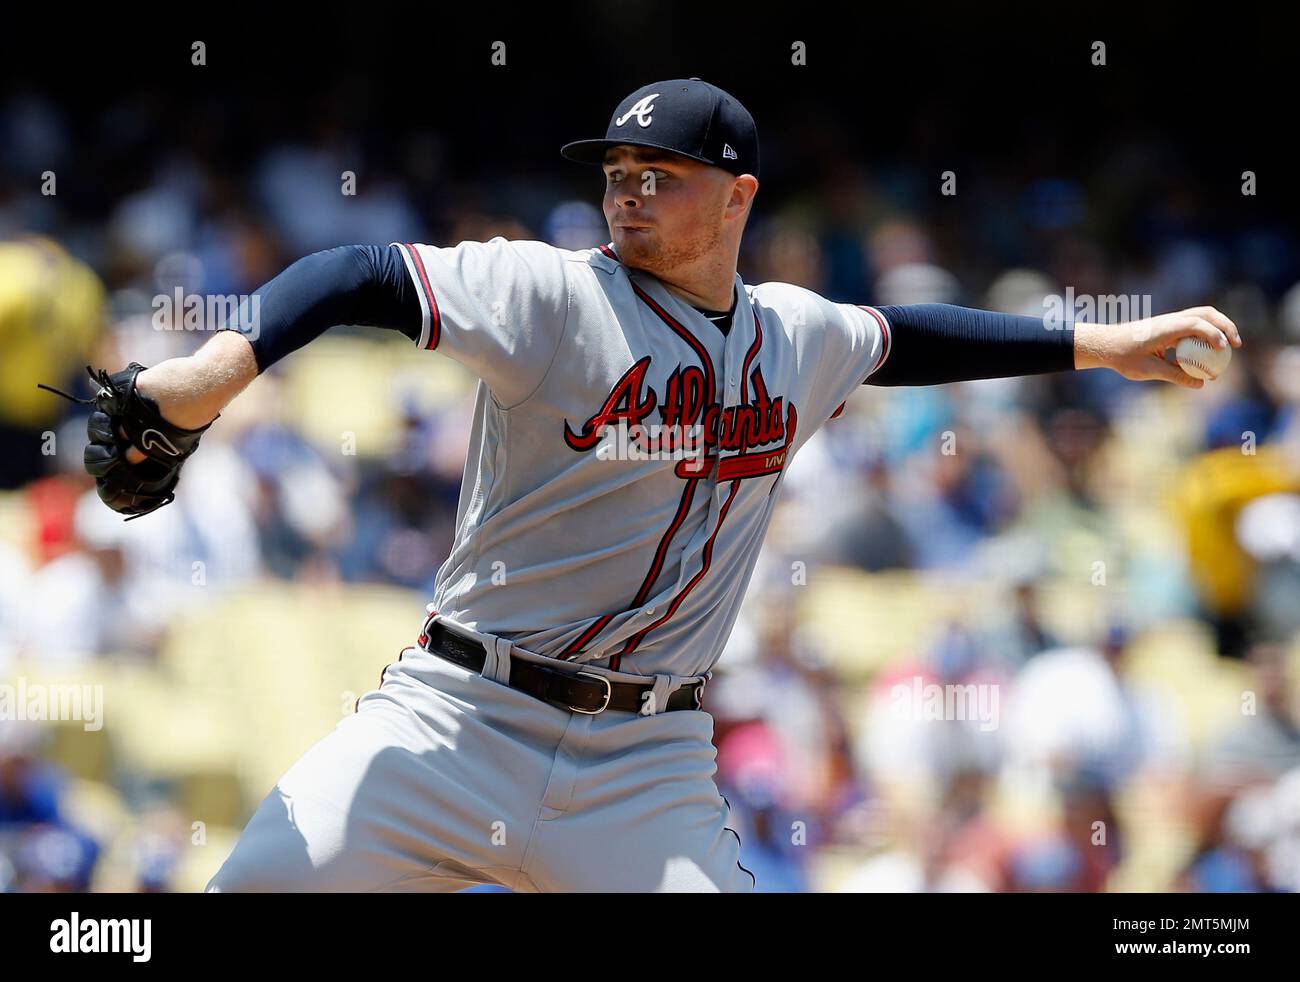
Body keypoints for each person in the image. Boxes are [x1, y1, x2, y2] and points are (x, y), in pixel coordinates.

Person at [77, 79, 1241, 892]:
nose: (627, 192)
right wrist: (213, 371)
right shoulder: (554, 295)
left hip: (646, 765)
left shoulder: (795, 333)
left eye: (661, 175)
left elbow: (913, 336)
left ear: (737, 196)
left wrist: (1105, 344)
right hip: (455, 722)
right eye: (618, 173)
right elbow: (359, 273)